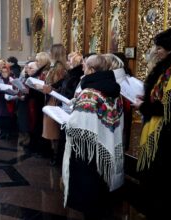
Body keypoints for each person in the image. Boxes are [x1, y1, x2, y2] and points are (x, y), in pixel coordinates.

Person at [62, 55, 124, 219]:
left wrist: (66, 123)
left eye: (84, 66)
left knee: (89, 190)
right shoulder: (115, 90)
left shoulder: (89, 92)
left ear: (91, 70)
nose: (82, 68)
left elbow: (79, 125)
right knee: (101, 187)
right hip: (104, 146)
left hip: (87, 150)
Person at [133, 28, 171, 220]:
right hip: (160, 129)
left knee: (162, 178)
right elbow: (159, 96)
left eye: (159, 48)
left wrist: (145, 106)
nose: (156, 51)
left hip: (167, 134)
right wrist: (148, 100)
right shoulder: (166, 68)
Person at [41, 44, 67, 165]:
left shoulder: (59, 68)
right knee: (52, 130)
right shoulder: (56, 66)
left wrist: (48, 88)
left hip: (55, 100)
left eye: (51, 51)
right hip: (51, 98)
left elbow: (58, 86)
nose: (49, 54)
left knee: (53, 130)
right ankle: (54, 154)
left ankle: (55, 156)